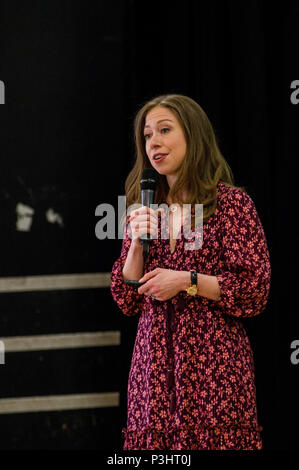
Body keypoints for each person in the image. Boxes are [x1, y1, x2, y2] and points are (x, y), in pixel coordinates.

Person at [110, 94, 271, 450]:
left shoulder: (231, 204)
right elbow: (125, 298)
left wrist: (187, 281)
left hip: (214, 365)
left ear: (193, 136)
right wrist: (137, 243)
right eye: (148, 135)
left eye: (165, 130)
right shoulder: (144, 208)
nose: (154, 142)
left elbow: (254, 290)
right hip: (154, 369)